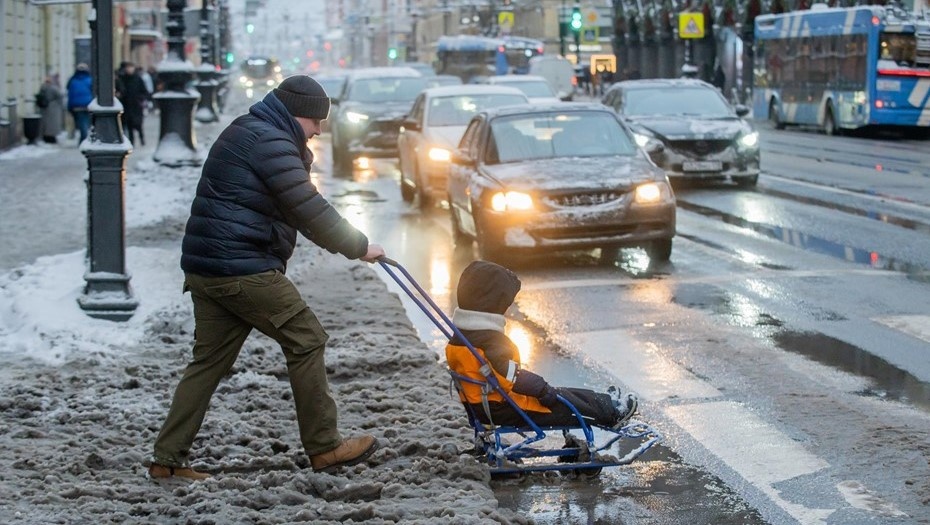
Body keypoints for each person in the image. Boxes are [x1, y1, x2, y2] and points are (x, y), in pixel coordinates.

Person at [148, 75, 386, 481]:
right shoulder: (271, 142)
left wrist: (347, 245)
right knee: (307, 338)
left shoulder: (254, 130)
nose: (319, 130)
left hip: (209, 268)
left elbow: (296, 210)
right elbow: (307, 206)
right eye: (316, 121)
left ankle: (168, 461)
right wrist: (358, 246)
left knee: (207, 363)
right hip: (241, 268)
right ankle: (326, 447)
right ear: (299, 114)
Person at [445, 261, 638, 429]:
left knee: (563, 393)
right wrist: (542, 389)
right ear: (492, 304)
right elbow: (512, 376)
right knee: (563, 402)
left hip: (483, 405)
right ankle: (611, 412)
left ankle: (604, 400)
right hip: (509, 407)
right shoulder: (490, 342)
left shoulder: (462, 338)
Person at [115, 61, 149, 146]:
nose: (129, 69)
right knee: (129, 125)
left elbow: (144, 91)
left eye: (130, 67)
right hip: (126, 105)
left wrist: (140, 99)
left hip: (136, 105)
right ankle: (131, 141)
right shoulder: (122, 79)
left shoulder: (138, 79)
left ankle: (142, 139)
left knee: (138, 125)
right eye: (127, 68)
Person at [66, 63, 93, 144]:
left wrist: (69, 107)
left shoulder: (72, 81)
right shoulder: (90, 80)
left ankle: (83, 139)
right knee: (85, 123)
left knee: (81, 123)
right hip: (88, 104)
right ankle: (84, 139)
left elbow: (70, 95)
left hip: (76, 106)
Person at [37, 74, 64, 144]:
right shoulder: (54, 88)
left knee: (45, 124)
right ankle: (51, 137)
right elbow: (60, 97)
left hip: (44, 109)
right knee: (52, 125)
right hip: (53, 109)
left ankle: (45, 136)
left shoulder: (42, 87)